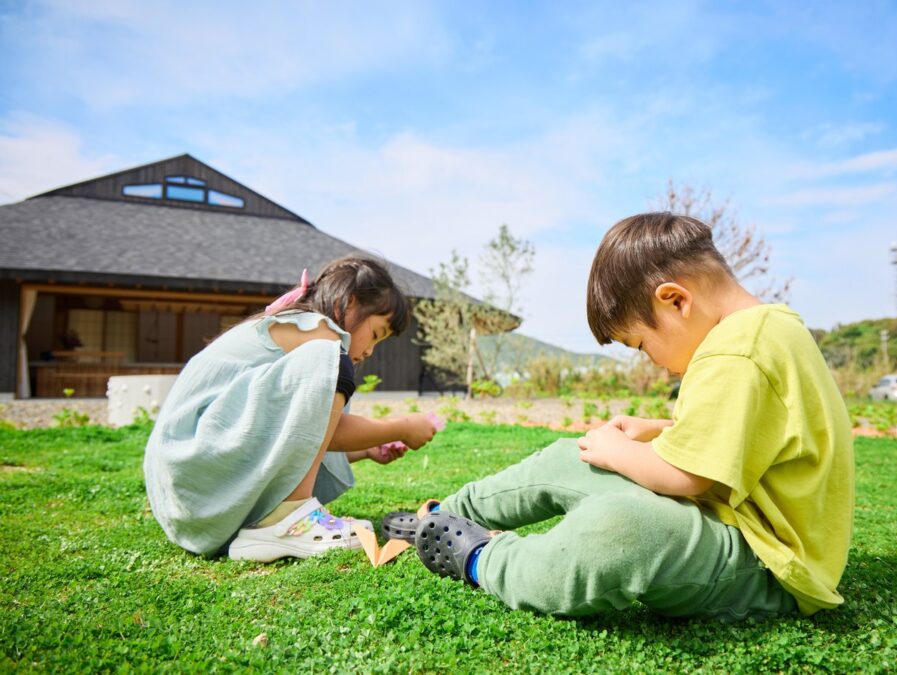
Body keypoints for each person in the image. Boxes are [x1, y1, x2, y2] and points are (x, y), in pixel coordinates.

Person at [406, 212, 853, 621]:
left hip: (768, 563)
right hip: (734, 517)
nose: (652, 361)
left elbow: (688, 477)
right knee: (579, 454)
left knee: (620, 530)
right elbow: (756, 434)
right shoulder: (761, 330)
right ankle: (444, 514)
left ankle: (481, 557)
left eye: (641, 345)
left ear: (675, 300)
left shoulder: (736, 351)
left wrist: (621, 452)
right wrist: (658, 430)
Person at [144, 256, 438, 561]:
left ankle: (280, 521)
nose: (368, 351)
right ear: (350, 303)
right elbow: (331, 431)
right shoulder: (319, 333)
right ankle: (290, 518)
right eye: (375, 334)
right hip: (195, 472)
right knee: (334, 361)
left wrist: (367, 450)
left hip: (191, 498)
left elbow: (301, 434)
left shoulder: (294, 329)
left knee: (331, 364)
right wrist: (402, 426)